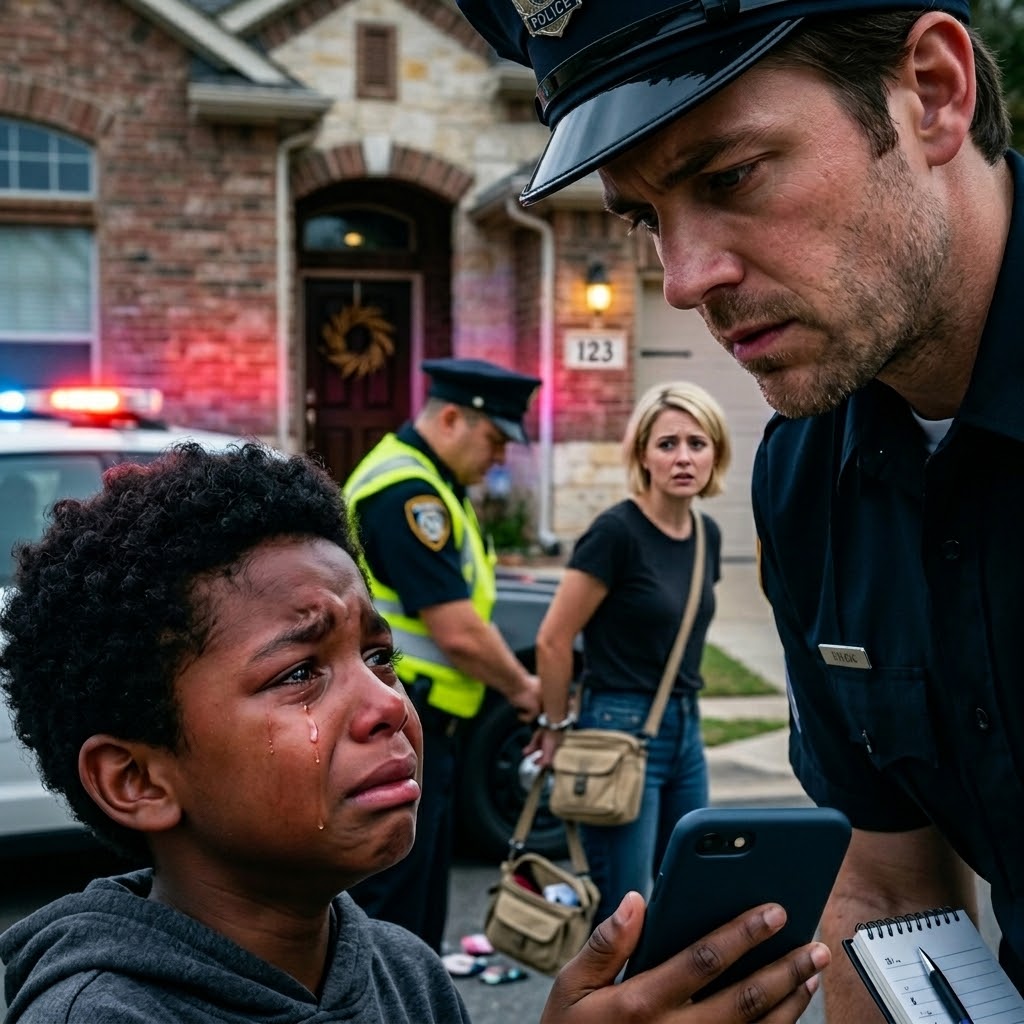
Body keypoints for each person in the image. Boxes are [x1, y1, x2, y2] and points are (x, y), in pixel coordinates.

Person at [453, 0, 1024, 1019]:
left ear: (932, 92)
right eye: (643, 217)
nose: (683, 280)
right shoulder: (807, 469)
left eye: (730, 176)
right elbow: (888, 891)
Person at [0, 441, 831, 1023]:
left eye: (379, 656)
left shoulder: (404, 973)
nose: (388, 706)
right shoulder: (101, 1011)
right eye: (298, 674)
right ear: (137, 780)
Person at [343, 357, 543, 952]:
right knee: (392, 912)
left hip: (423, 722)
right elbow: (455, 629)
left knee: (418, 904)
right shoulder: (407, 491)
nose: (502, 456)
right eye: (495, 439)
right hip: (402, 720)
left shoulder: (432, 484)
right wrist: (523, 689)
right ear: (451, 418)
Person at [529, 381, 730, 924]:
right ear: (642, 454)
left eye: (697, 442)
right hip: (616, 726)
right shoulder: (615, 532)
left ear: (716, 452)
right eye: (667, 444)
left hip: (686, 729)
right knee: (623, 908)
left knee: (689, 883)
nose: (683, 457)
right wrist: (555, 725)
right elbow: (553, 638)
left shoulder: (707, 535)